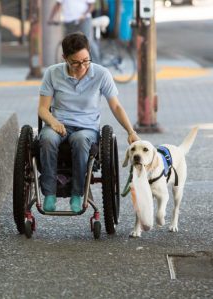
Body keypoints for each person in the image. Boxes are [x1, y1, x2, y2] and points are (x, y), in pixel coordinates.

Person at [38, 32, 139, 213]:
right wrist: (53, 122)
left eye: (86, 60)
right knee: (46, 139)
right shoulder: (52, 73)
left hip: (87, 128)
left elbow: (116, 106)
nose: (82, 66)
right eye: (75, 62)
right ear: (65, 58)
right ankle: (49, 193)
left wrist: (130, 131)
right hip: (58, 124)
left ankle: (77, 194)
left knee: (80, 140)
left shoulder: (101, 74)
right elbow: (43, 109)